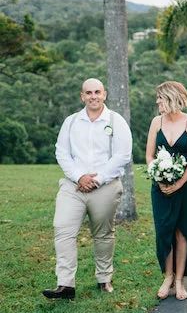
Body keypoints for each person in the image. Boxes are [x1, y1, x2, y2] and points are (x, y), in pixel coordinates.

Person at [42, 78, 132, 300]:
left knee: (103, 234)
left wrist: (97, 179)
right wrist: (79, 177)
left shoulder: (116, 121)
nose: (93, 96)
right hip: (74, 186)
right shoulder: (71, 122)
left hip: (105, 186)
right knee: (62, 229)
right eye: (88, 93)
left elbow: (122, 155)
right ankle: (65, 285)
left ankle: (104, 279)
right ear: (82, 96)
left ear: (105, 94)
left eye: (97, 92)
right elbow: (61, 152)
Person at [145, 81, 187, 301]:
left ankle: (179, 280)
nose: (157, 102)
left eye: (160, 98)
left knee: (182, 231)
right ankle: (167, 277)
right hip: (160, 188)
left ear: (170, 97)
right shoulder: (156, 122)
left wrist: (179, 184)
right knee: (164, 231)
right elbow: (149, 156)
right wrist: (158, 177)